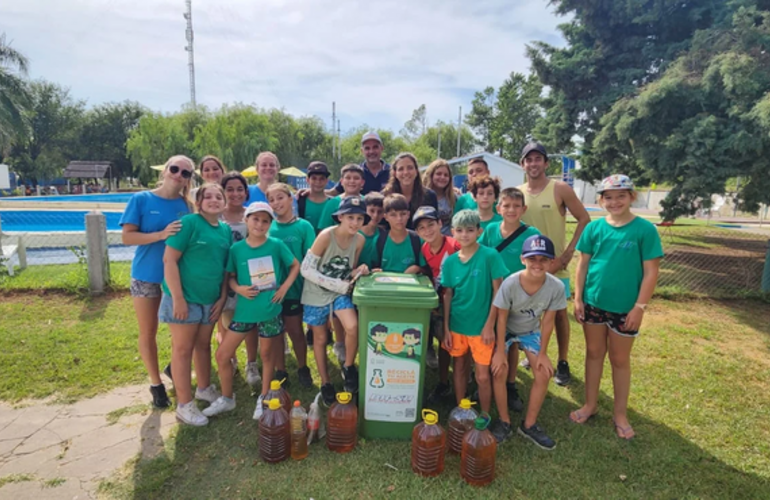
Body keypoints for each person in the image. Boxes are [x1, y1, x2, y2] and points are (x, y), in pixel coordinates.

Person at [571, 175, 663, 440]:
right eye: (608, 197)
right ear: (601, 200)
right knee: (593, 353)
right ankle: (590, 404)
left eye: (620, 196)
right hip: (593, 304)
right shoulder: (594, 229)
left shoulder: (644, 230)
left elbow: (650, 272)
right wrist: (578, 298)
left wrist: (640, 307)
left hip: (626, 308)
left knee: (620, 360)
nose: (614, 202)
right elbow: (583, 265)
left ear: (631, 197)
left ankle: (620, 414)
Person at [203, 202, 300, 420]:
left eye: (265, 220)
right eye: (255, 219)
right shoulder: (237, 249)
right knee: (222, 354)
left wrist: (284, 288)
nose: (260, 224)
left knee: (267, 355)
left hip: (269, 309)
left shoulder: (275, 245)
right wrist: (238, 289)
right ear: (246, 220)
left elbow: (295, 265)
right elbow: (231, 277)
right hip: (245, 311)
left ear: (270, 224)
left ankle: (264, 397)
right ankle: (227, 398)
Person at [119, 156, 193, 409]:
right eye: (174, 169)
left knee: (179, 333)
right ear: (165, 170)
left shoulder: (187, 205)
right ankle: (155, 384)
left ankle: (174, 368)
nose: (178, 174)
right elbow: (127, 238)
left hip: (177, 279)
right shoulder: (141, 200)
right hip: (146, 275)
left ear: (188, 179)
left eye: (185, 172)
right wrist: (160, 235)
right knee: (148, 331)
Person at [518, 141, 591, 386]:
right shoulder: (518, 192)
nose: (533, 163)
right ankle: (535, 353)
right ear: (523, 164)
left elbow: (584, 219)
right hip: (529, 267)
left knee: (559, 315)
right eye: (529, 159)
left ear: (546, 163)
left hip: (556, 265)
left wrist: (568, 253)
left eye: (538, 158)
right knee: (532, 314)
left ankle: (562, 361)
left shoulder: (559, 188)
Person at [160, 183, 232, 426]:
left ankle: (203, 388)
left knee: (203, 346)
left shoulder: (224, 230)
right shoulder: (189, 224)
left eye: (218, 196)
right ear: (198, 203)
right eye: (207, 197)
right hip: (185, 299)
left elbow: (224, 269)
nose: (213, 200)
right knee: (182, 350)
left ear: (224, 202)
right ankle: (185, 404)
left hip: (209, 300)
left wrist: (222, 298)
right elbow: (169, 260)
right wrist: (178, 298)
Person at [491, 235, 567, 448]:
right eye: (532, 258)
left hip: (530, 331)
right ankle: (504, 421)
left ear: (551, 262)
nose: (538, 264)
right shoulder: (511, 283)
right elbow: (501, 317)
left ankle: (529, 424)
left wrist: (542, 353)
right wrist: (499, 351)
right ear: (523, 259)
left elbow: (548, 321)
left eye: (544, 259)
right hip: (506, 330)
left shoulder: (556, 286)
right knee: (499, 370)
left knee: (543, 373)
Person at [300, 196, 369, 406]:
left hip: (340, 292)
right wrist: (334, 284)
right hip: (315, 292)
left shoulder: (359, 240)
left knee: (353, 326)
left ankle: (348, 367)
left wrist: (360, 270)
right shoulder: (325, 236)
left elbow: (349, 269)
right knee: (320, 339)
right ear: (340, 216)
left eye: (359, 218)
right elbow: (306, 268)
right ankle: (326, 381)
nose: (355, 222)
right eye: (350, 217)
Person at [478, 187, 541, 412]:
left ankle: (511, 383)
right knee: (494, 338)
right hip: (493, 293)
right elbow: (481, 255)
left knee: (512, 341)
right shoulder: (491, 229)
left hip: (519, 297)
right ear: (499, 208)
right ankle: (487, 379)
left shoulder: (531, 233)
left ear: (524, 209)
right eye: (507, 206)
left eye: (516, 206)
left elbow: (538, 262)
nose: (511, 210)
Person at [441, 209, 508, 418]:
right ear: (452, 232)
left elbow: (499, 290)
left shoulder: (490, 255)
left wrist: (490, 325)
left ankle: (486, 413)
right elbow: (448, 295)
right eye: (459, 230)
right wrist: (445, 328)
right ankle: (462, 409)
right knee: (459, 367)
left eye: (470, 230)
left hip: (481, 327)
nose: (464, 235)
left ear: (479, 231)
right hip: (457, 324)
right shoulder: (451, 262)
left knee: (482, 375)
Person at [266, 183, 315, 388]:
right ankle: (281, 370)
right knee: (276, 331)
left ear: (290, 199)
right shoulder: (268, 227)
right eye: (272, 200)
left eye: (280, 197)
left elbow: (311, 257)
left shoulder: (303, 226)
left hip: (296, 288)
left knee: (295, 329)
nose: (277, 203)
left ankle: (303, 367)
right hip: (270, 289)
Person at [218, 172, 262, 388]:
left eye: (239, 189)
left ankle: (252, 363)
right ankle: (230, 359)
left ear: (246, 192)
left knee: (250, 322)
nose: (235, 193)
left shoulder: (252, 215)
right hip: (222, 275)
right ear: (223, 192)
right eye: (229, 189)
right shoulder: (215, 216)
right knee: (226, 320)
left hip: (248, 276)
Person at [413, 206, 460, 403]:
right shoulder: (424, 248)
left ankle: (459, 383)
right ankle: (442, 382)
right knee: (440, 340)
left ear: (441, 224)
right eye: (422, 228)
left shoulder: (454, 245)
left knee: (453, 345)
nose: (428, 230)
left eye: (431, 224)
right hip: (437, 300)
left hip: (457, 301)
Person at [382, 152, 438, 230]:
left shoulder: (429, 196)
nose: (406, 172)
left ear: (416, 171)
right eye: (401, 169)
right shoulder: (384, 196)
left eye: (410, 168)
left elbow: (433, 225)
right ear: (395, 173)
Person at [330, 131, 391, 195]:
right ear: (362, 151)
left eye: (375, 147)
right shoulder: (355, 172)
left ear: (382, 148)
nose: (371, 151)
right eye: (367, 148)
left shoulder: (392, 172)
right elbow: (334, 192)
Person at [376, 194, 425, 273]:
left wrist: (417, 269)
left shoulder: (417, 240)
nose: (399, 219)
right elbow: (370, 268)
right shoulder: (379, 240)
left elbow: (428, 270)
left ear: (408, 214)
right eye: (393, 215)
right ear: (385, 217)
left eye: (403, 214)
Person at [317, 163, 365, 231]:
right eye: (348, 178)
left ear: (362, 182)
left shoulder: (367, 202)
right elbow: (323, 230)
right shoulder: (332, 203)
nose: (352, 181)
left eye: (356, 178)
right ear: (341, 181)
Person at [422, 159, 457, 236]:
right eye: (438, 174)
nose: (442, 177)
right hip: (426, 240)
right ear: (431, 175)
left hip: (448, 241)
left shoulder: (454, 198)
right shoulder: (421, 196)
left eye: (446, 175)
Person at [297, 161, 332, 233]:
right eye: (314, 178)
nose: (318, 182)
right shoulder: (299, 201)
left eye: (322, 178)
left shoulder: (333, 203)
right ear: (307, 180)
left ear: (327, 181)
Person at [358, 192, 385, 269]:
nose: (375, 215)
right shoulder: (354, 233)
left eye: (380, 212)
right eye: (372, 211)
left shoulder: (383, 234)